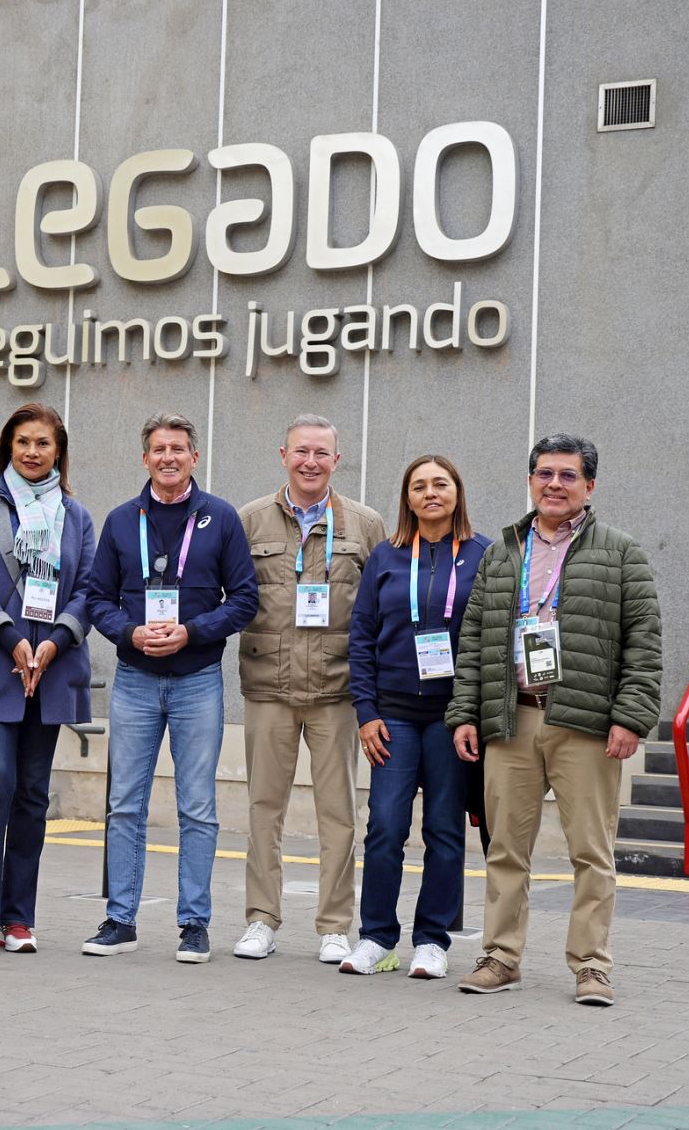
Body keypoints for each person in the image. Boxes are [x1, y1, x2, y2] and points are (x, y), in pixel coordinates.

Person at [446, 433, 661, 1006]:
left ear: (590, 485)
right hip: (512, 719)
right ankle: (500, 957)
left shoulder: (621, 552)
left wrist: (631, 717)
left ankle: (591, 965)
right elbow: (474, 640)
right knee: (504, 850)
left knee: (591, 852)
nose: (554, 485)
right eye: (545, 474)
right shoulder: (504, 552)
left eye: (568, 476)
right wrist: (465, 711)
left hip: (584, 724)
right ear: (531, 480)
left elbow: (644, 642)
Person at [83, 412, 258, 964]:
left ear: (194, 457)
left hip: (198, 680)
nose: (168, 458)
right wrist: (130, 632)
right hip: (134, 679)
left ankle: (194, 924)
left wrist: (192, 632)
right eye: (158, 449)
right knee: (124, 805)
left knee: (198, 808)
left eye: (178, 449)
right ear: (145, 458)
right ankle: (120, 919)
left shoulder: (221, 519)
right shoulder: (119, 521)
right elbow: (96, 600)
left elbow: (245, 599)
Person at [232, 415, 386, 965]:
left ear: (337, 461)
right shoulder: (248, 520)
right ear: (283, 455)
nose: (311, 462)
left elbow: (380, 611)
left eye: (322, 453)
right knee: (262, 808)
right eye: (302, 452)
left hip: (337, 689)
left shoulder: (366, 525)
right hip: (268, 686)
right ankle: (260, 920)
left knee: (339, 813)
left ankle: (335, 925)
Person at [0, 403, 97, 955]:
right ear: (7, 448)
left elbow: (88, 588)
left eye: (43, 443)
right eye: (23, 442)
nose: (32, 452)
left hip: (52, 672)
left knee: (33, 794)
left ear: (59, 451)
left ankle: (17, 919)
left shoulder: (77, 516)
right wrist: (14, 640)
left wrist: (53, 643)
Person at [342, 455, 490, 979]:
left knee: (445, 829)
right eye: (419, 486)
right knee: (384, 826)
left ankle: (432, 940)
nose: (431, 493)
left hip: (454, 718)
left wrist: (474, 712)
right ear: (407, 498)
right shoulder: (386, 556)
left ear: (457, 492)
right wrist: (366, 712)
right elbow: (360, 639)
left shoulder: (483, 555)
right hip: (393, 716)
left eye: (441, 484)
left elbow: (492, 640)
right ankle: (377, 939)